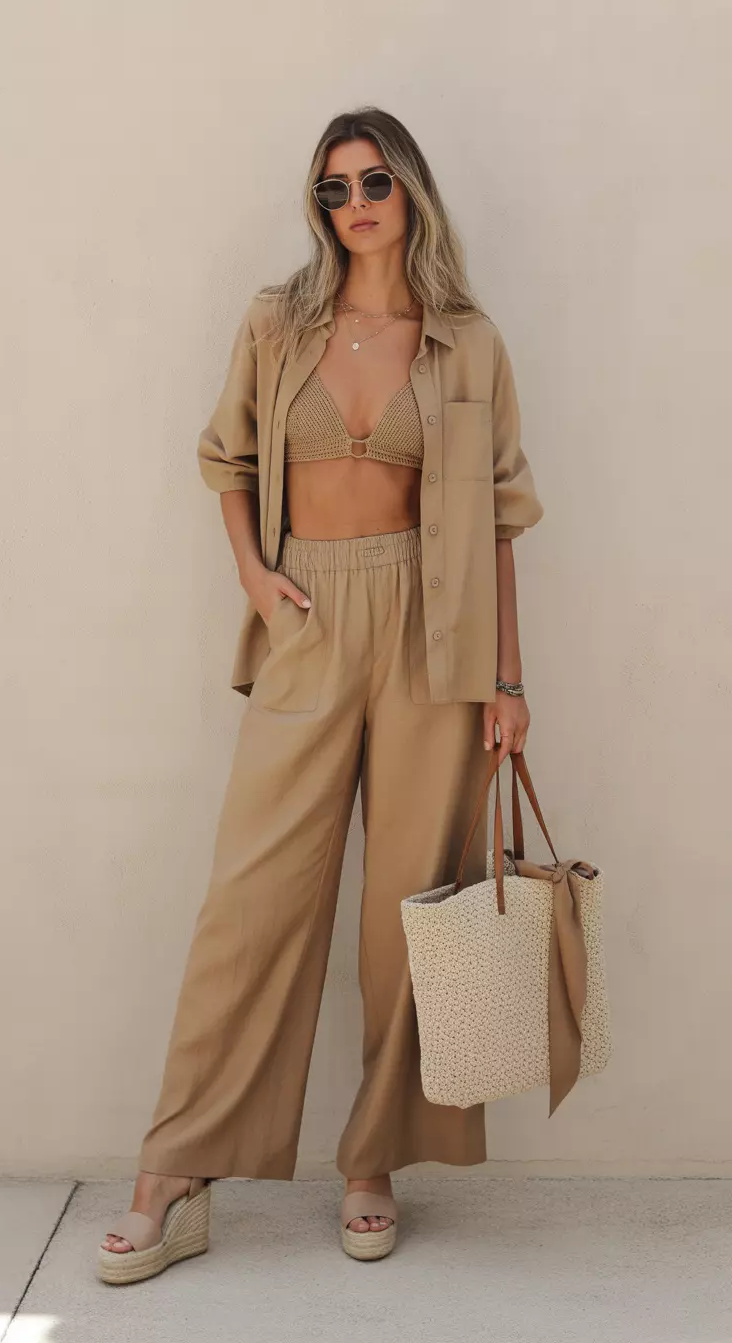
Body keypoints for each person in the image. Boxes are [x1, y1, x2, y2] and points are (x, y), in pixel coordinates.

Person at [97, 104, 543, 1284]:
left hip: (430, 634)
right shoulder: (278, 323)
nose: (355, 207)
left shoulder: (466, 340)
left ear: (411, 196)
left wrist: (507, 677)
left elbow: (499, 516)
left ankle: (371, 1163)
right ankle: (176, 1169)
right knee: (251, 901)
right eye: (336, 188)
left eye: (375, 184)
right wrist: (253, 570)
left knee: (410, 910)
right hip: (307, 620)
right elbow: (229, 459)